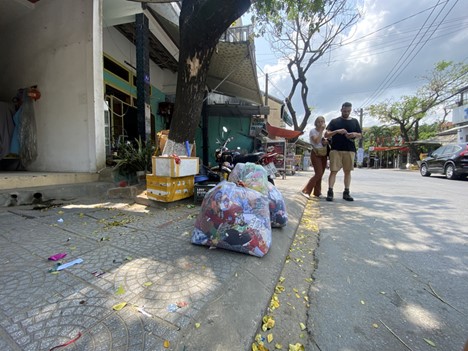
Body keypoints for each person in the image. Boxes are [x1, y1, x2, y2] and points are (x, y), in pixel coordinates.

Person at [324, 102, 362, 202]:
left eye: (348, 111)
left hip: (350, 149)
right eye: (344, 111)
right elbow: (326, 134)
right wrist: (337, 131)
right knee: (333, 171)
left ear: (350, 110)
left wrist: (354, 134)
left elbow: (360, 134)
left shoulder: (354, 121)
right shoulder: (334, 121)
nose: (346, 113)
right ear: (341, 110)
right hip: (336, 149)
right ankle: (330, 192)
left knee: (347, 171)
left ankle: (346, 192)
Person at [301, 116, 329, 199]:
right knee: (318, 173)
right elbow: (316, 141)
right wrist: (320, 131)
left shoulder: (325, 132)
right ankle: (306, 190)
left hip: (323, 153)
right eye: (319, 122)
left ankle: (317, 192)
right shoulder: (313, 131)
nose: (321, 123)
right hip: (315, 153)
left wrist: (326, 142)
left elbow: (323, 143)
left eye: (322, 121)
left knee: (321, 174)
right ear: (316, 123)